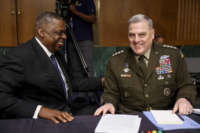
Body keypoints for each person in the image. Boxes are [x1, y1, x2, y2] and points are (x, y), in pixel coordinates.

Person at [94, 14, 197, 116]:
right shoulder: (116, 61)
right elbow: (111, 93)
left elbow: (185, 85)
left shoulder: (172, 56)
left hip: (167, 116)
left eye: (142, 35)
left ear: (152, 34)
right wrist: (109, 103)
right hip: (130, 117)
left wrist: (183, 99)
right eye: (132, 35)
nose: (136, 40)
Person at [0, 12, 74, 124]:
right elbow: (2, 96)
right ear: (41, 32)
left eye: (65, 33)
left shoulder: (57, 53)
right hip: (40, 123)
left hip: (67, 114)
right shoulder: (19, 56)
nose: (64, 36)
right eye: (60, 33)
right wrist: (39, 111)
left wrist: (103, 81)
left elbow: (69, 83)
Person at [69, 0, 96, 77]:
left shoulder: (88, 1)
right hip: (71, 40)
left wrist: (75, 12)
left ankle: (91, 88)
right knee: (75, 68)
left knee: (87, 67)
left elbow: (93, 19)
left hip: (85, 39)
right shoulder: (69, 2)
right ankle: (79, 88)